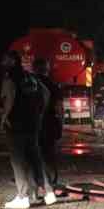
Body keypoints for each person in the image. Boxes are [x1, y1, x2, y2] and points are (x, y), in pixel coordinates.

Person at [0, 51, 54, 208]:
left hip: (17, 125)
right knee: (35, 158)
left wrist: (4, 118)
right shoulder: (31, 77)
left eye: (5, 60)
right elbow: (46, 94)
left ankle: (23, 197)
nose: (3, 63)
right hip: (33, 123)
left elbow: (9, 98)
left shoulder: (10, 78)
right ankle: (49, 192)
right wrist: (39, 113)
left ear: (11, 62)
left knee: (18, 160)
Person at [33, 57, 63, 196]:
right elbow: (59, 108)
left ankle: (38, 186)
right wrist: (60, 124)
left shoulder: (31, 84)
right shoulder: (53, 85)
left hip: (33, 124)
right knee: (49, 154)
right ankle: (50, 183)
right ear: (47, 69)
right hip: (49, 124)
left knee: (35, 154)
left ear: (34, 68)